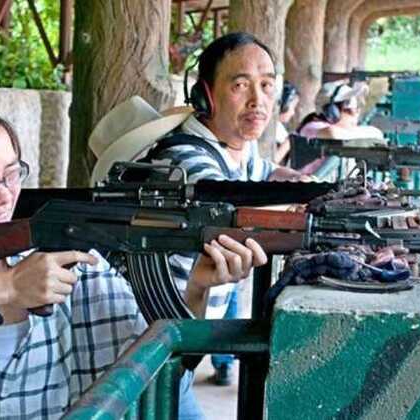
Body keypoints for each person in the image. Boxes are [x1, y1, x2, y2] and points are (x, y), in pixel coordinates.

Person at [0, 92, 265, 419]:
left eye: (12, 172)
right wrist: (7, 285)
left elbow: (154, 368)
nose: (5, 195)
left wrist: (198, 287)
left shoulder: (67, 261)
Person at [134, 32, 309, 386]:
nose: (258, 100)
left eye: (266, 85)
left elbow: (265, 173)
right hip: (137, 354)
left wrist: (306, 185)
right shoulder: (185, 159)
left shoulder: (233, 148)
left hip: (177, 340)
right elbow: (230, 205)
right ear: (206, 95)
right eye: (241, 85)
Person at [296, 82, 384, 181]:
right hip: (307, 188)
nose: (355, 115)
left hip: (329, 188)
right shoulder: (312, 127)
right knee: (340, 152)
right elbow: (333, 133)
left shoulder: (344, 135)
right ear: (332, 112)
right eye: (350, 110)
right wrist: (374, 132)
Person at [273, 80, 300, 165]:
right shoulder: (268, 128)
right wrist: (288, 142)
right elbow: (271, 161)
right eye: (292, 108)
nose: (293, 113)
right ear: (284, 106)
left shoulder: (279, 127)